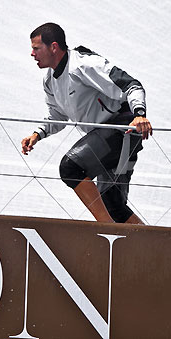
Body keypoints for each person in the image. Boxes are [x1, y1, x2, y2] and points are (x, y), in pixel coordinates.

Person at [21, 23, 152, 224]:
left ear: (53, 47)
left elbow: (132, 85)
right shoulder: (50, 81)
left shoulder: (83, 64)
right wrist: (37, 135)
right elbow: (57, 116)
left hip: (122, 129)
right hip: (105, 139)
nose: (32, 53)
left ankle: (105, 229)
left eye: (36, 48)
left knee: (70, 167)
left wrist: (140, 114)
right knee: (114, 205)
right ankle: (152, 247)